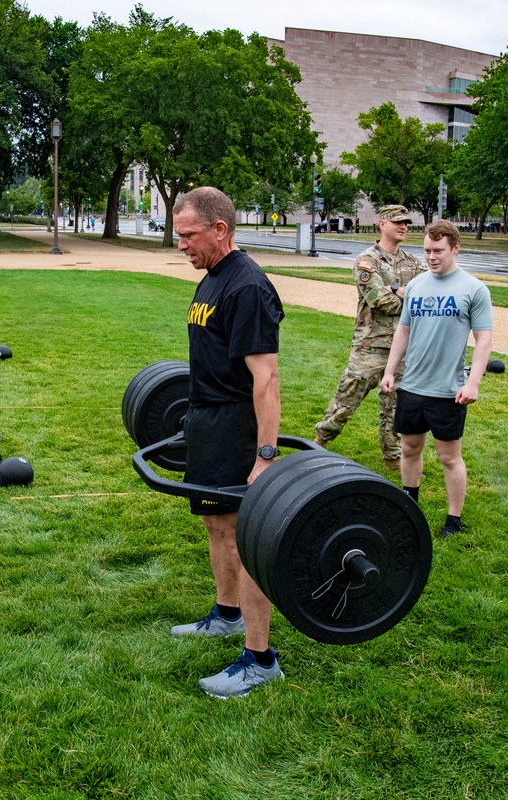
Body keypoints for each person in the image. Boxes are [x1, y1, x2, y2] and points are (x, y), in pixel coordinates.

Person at [169, 187, 286, 698]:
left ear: (220, 230)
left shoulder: (248, 287)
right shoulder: (212, 279)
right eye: (178, 236)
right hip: (208, 421)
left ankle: (260, 658)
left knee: (247, 537)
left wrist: (264, 455)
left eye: (188, 236)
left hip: (238, 426)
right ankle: (227, 613)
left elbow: (267, 379)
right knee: (217, 524)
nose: (181, 246)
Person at [380, 220, 493, 538]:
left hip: (449, 390)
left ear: (455, 248)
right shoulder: (415, 286)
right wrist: (390, 371)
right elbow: (403, 330)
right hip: (413, 386)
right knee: (410, 448)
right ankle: (409, 505)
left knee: (448, 456)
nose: (431, 256)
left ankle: (453, 521)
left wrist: (473, 383)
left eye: (438, 251)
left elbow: (483, 340)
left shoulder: (473, 289)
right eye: (427, 250)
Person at [314, 205, 426, 471]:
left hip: (402, 346)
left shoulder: (413, 262)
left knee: (396, 405)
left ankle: (393, 457)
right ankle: (320, 441)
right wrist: (407, 297)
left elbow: (426, 296)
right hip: (370, 345)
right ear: (382, 224)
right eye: (397, 222)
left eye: (406, 223)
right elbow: (377, 299)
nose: (403, 227)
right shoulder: (368, 260)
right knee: (347, 398)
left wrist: (398, 290)